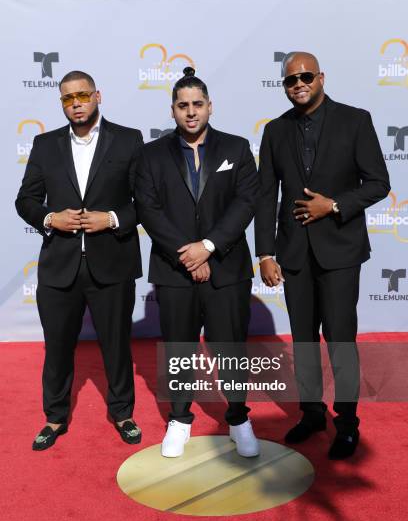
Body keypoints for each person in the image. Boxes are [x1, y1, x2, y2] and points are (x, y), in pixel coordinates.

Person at [255, 52, 390, 459]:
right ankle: (311, 412)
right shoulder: (276, 130)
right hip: (294, 253)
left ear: (321, 78)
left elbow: (379, 183)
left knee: (340, 340)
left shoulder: (355, 120)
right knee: (303, 342)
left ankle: (347, 422)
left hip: (340, 252)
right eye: (290, 79)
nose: (298, 83)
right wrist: (264, 252)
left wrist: (333, 205)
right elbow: (266, 195)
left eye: (306, 76)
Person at [134, 67, 260, 458]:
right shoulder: (151, 154)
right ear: (172, 110)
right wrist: (188, 254)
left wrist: (207, 246)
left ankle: (238, 418)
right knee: (178, 348)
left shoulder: (236, 149)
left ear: (210, 107)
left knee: (231, 348)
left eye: (198, 104)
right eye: (183, 105)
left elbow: (246, 203)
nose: (191, 112)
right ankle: (179, 419)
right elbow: (148, 210)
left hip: (226, 268)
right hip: (175, 271)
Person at [16, 70, 144, 450]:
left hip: (112, 261)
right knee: (56, 346)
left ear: (97, 96)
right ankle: (54, 418)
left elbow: (146, 202)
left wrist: (114, 219)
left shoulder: (129, 140)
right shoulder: (44, 144)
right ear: (62, 103)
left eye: (83, 96)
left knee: (117, 345)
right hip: (60, 264)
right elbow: (25, 200)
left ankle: (123, 413)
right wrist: (48, 218)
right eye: (68, 98)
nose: (76, 104)